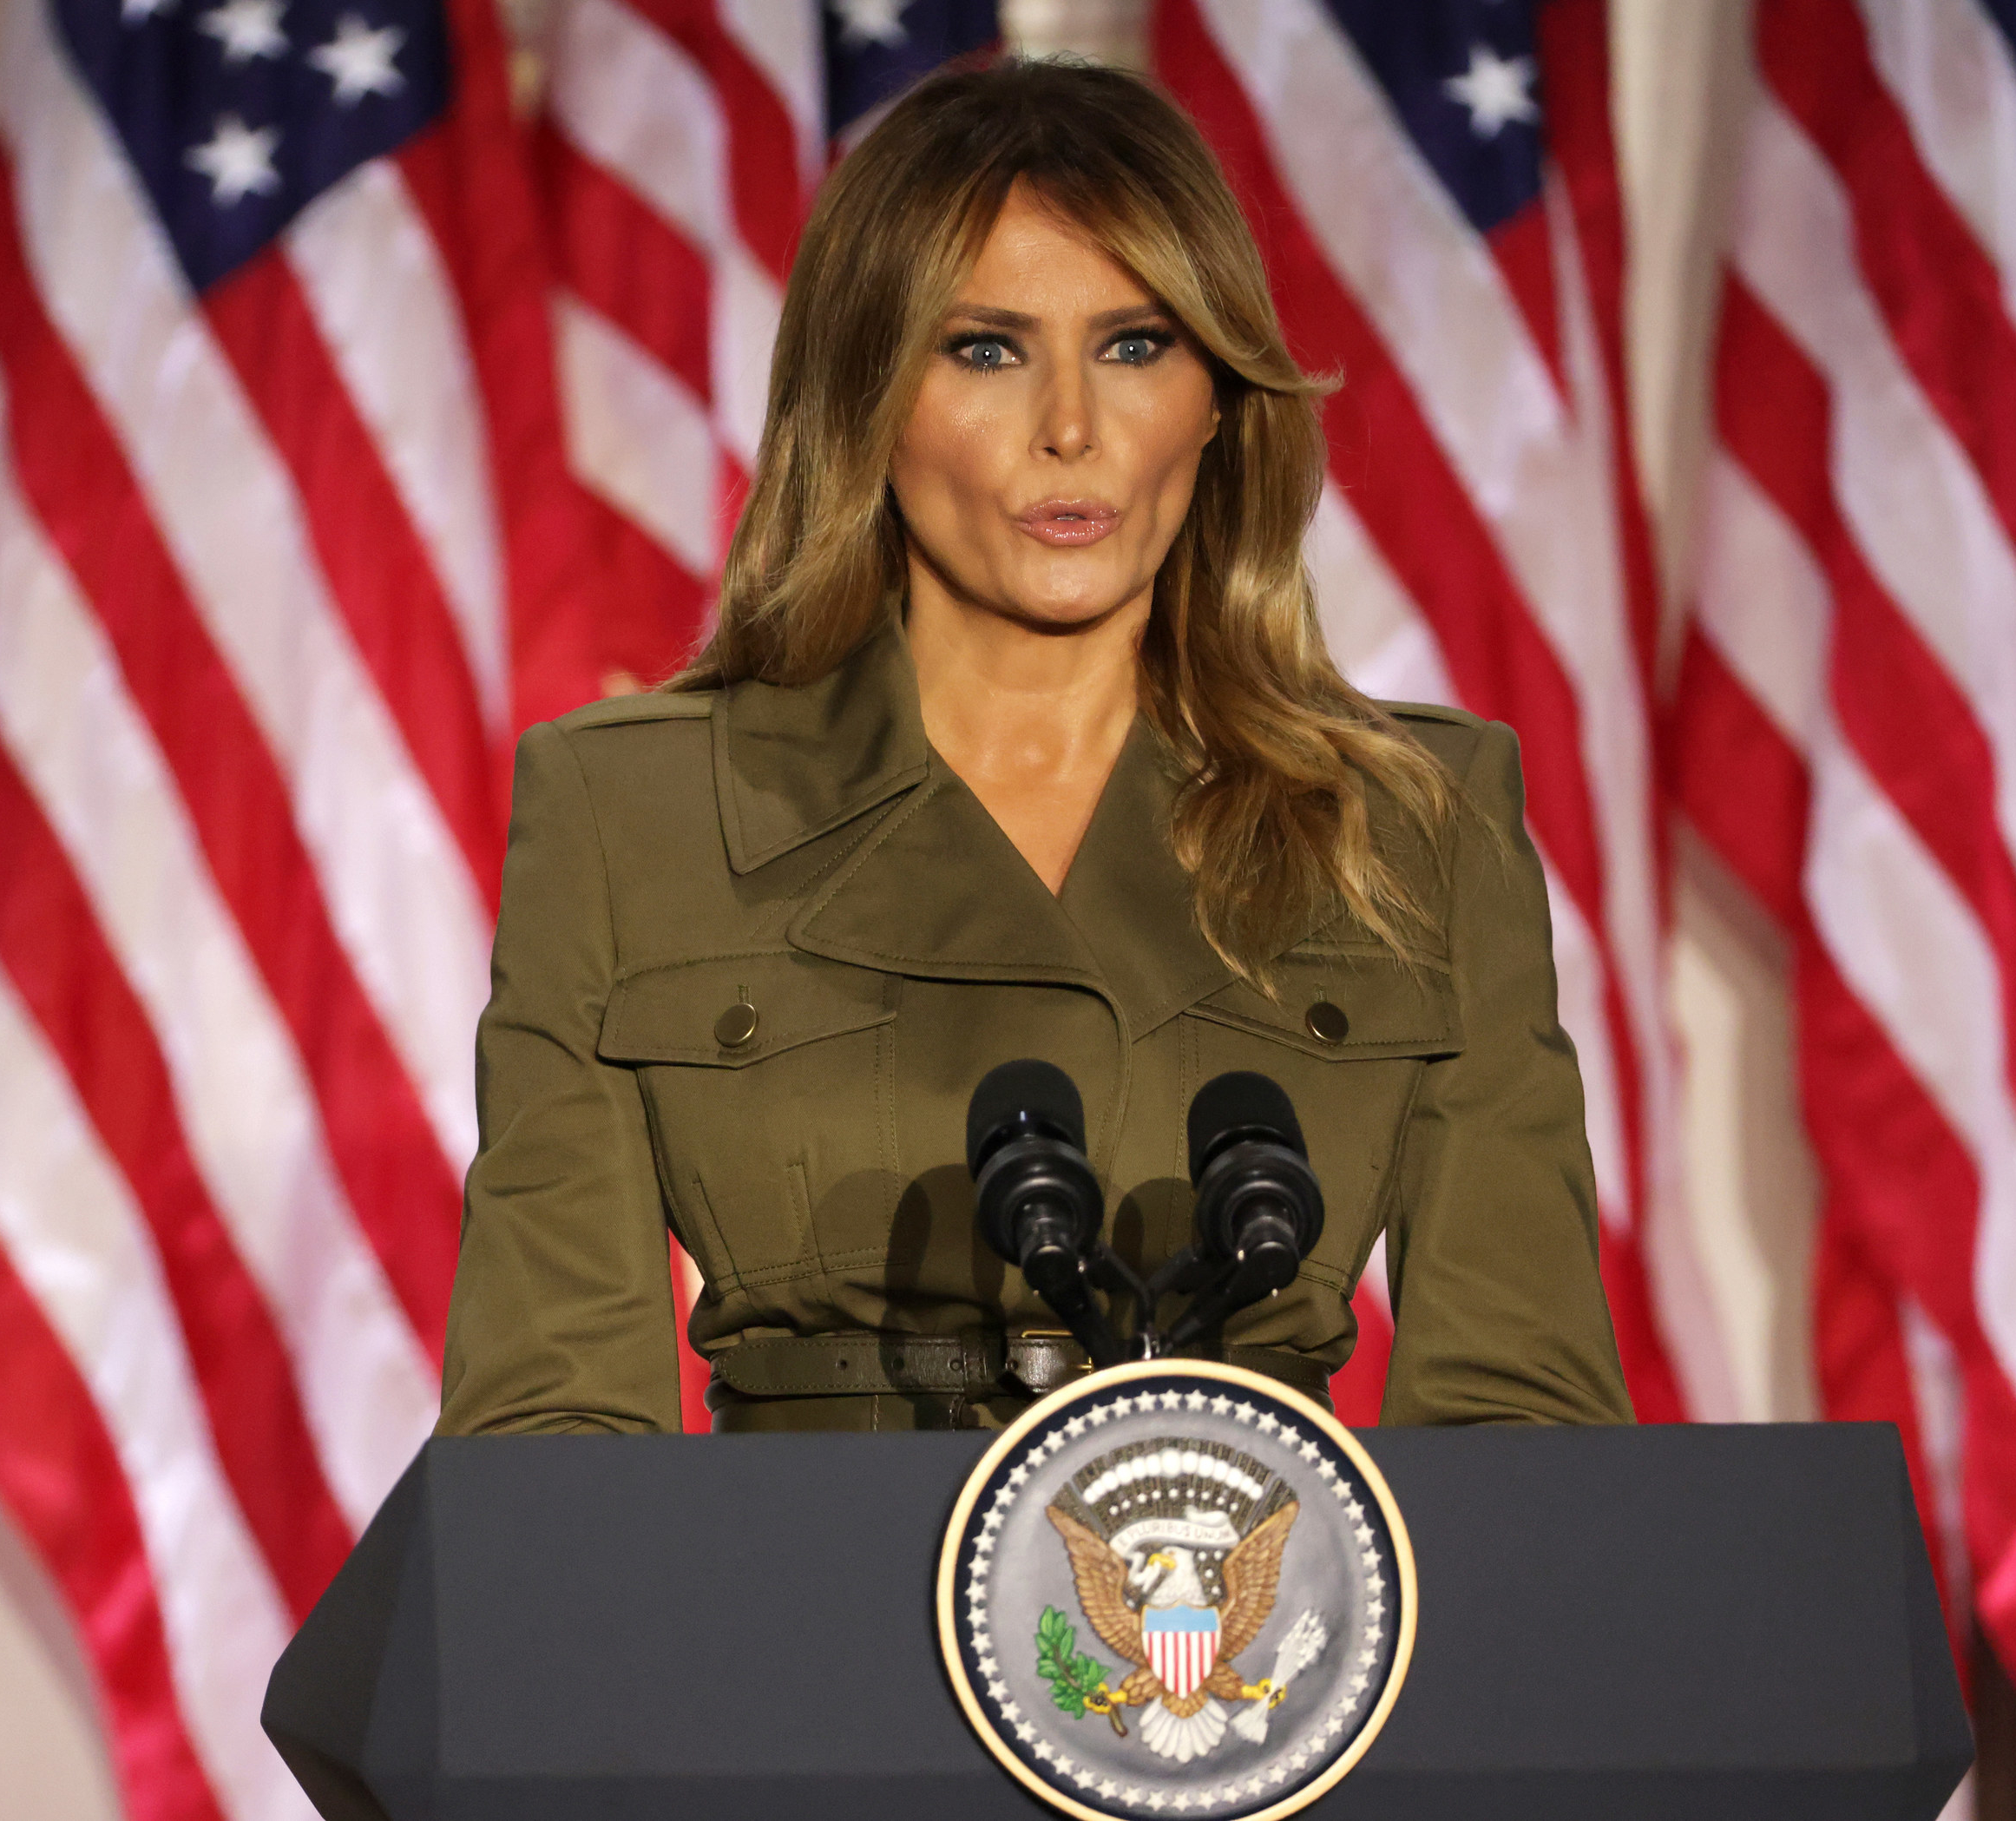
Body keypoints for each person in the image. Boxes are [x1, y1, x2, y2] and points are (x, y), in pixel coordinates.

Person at [435, 58, 1632, 1436]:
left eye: (1137, 346)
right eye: (986, 348)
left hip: (1248, 1620)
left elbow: (1524, 1441)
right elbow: (548, 1444)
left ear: (1219, 399)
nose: (1071, 428)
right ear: (866, 395)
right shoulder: (630, 812)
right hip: (791, 1621)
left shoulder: (1418, 821)